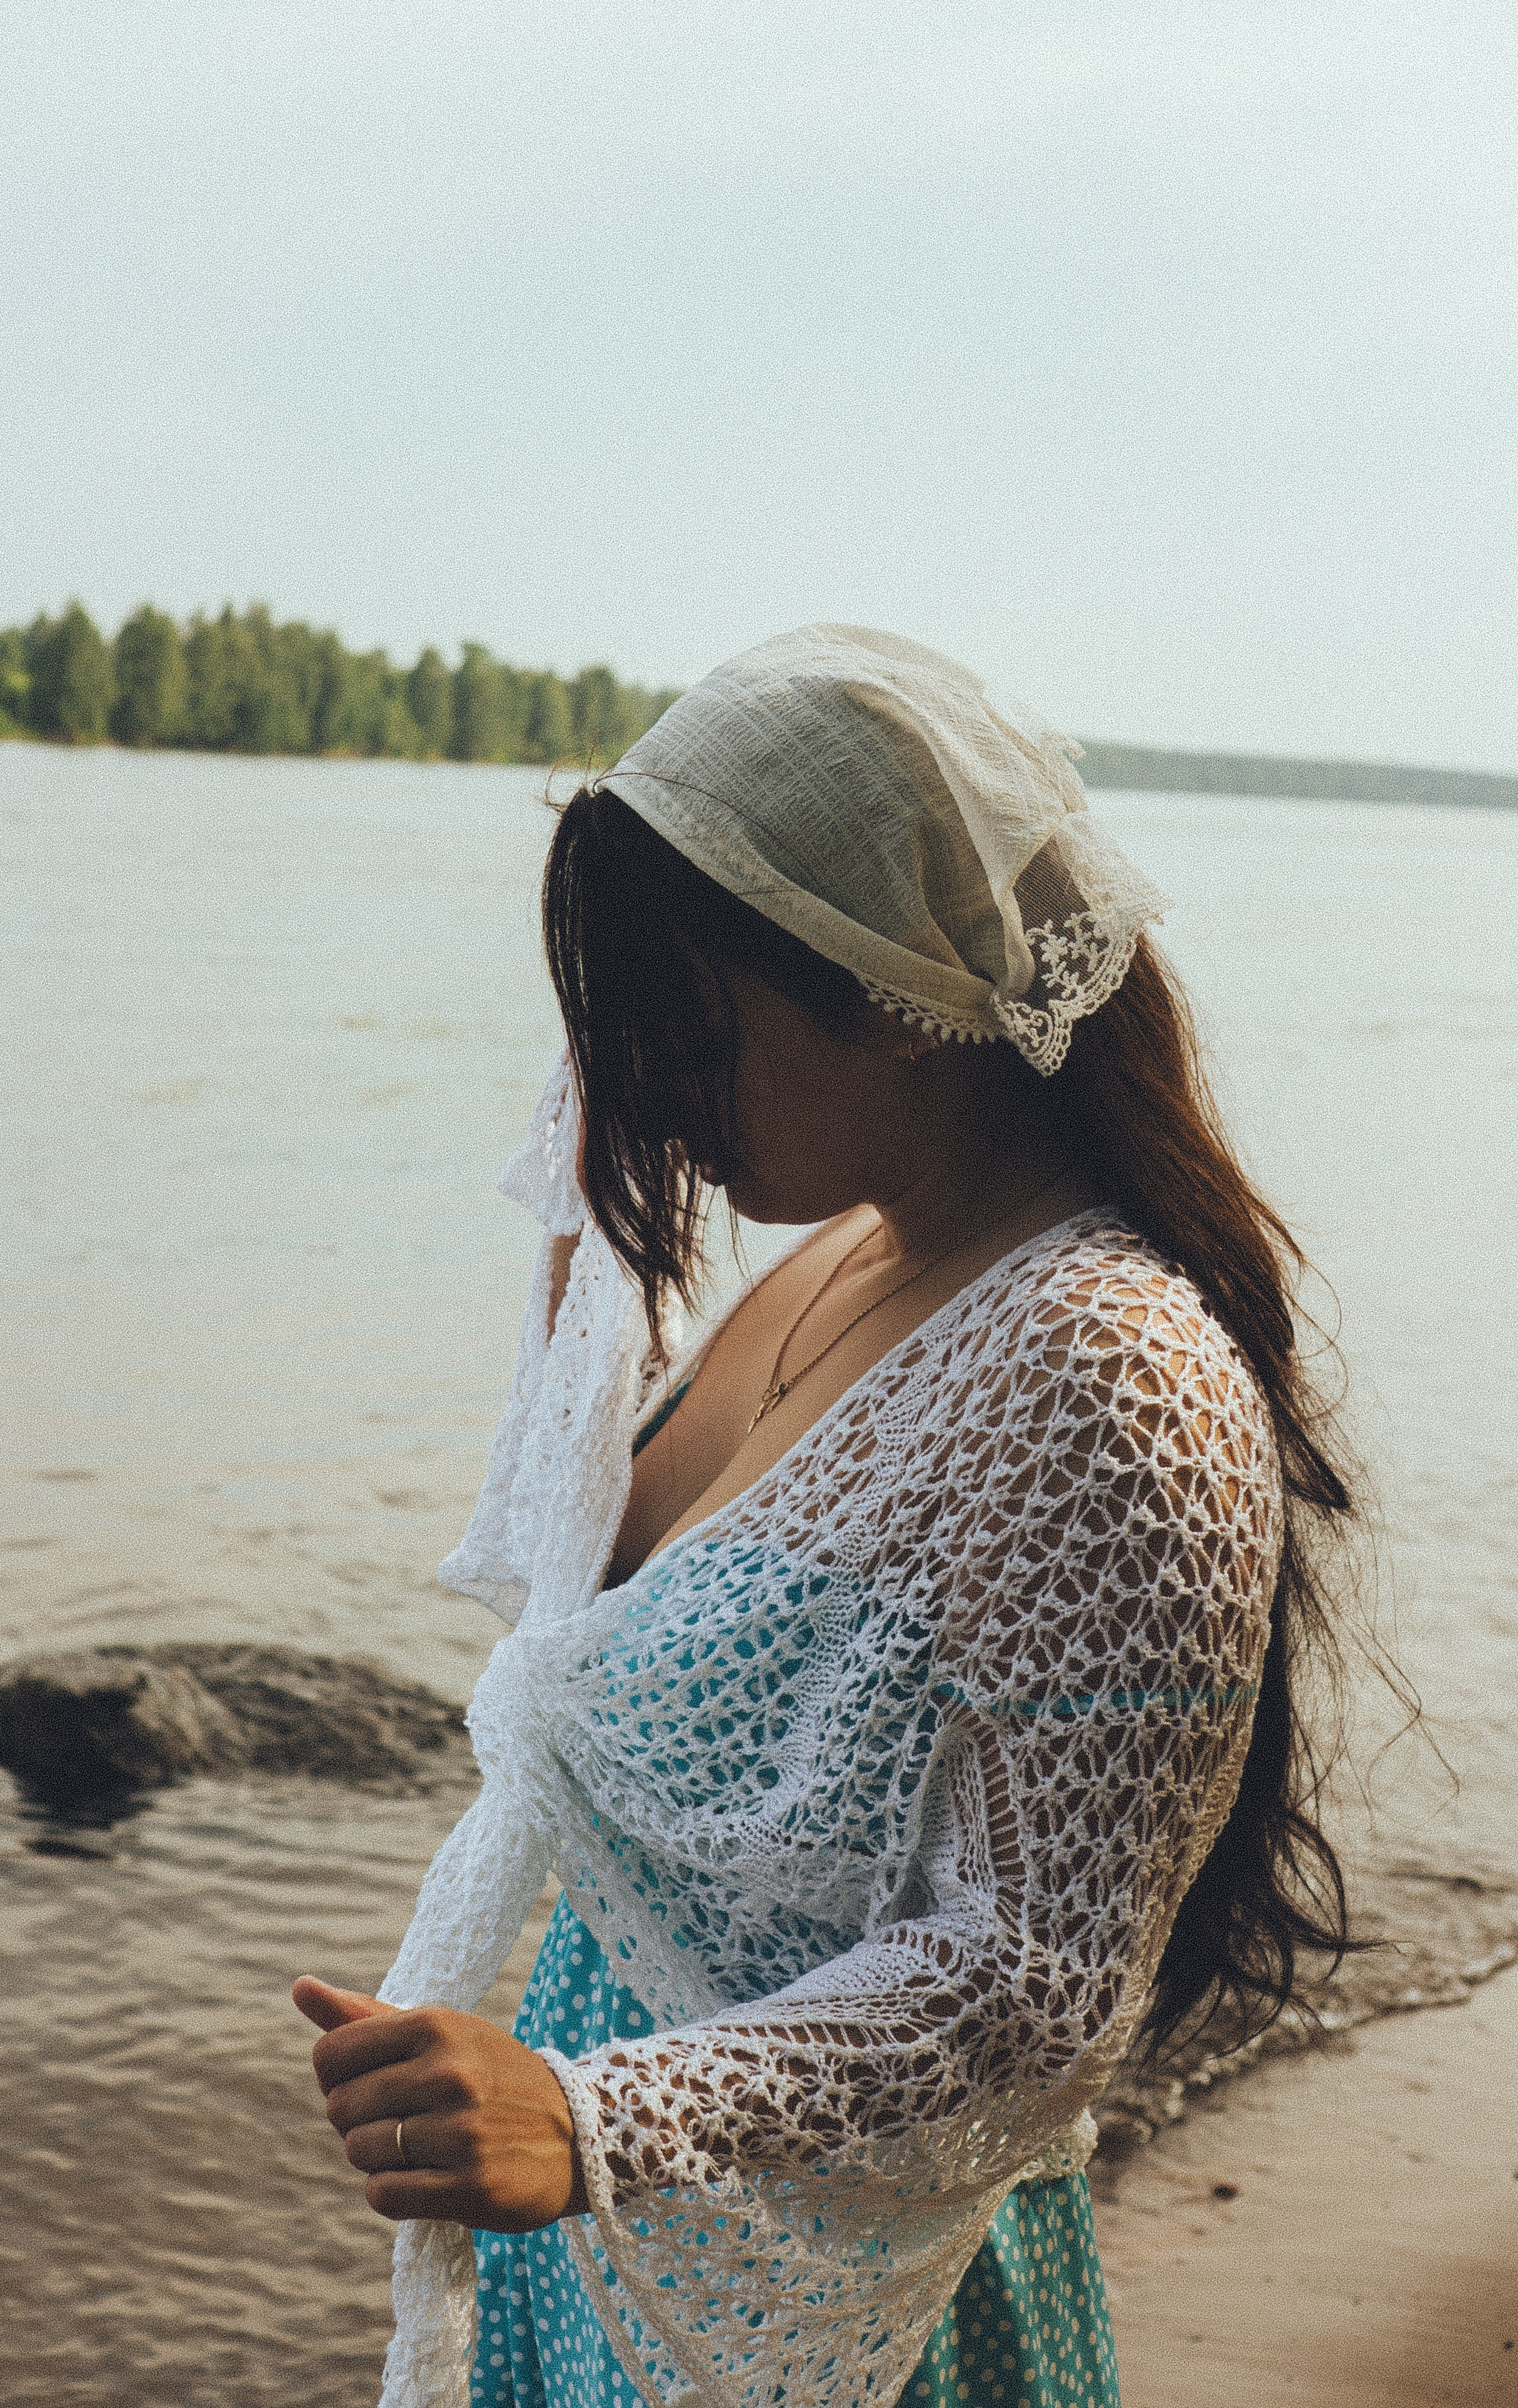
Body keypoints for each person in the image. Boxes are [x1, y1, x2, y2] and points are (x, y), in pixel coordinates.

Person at [293, 626, 1360, 2408]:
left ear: (886, 988)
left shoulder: (1109, 1368)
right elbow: (558, 1575)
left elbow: (1038, 1983)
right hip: (616, 2237)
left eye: (680, 1027)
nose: (641, 1077)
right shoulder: (834, 1261)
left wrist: (593, 2111)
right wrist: (595, 1184)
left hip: (837, 2293)